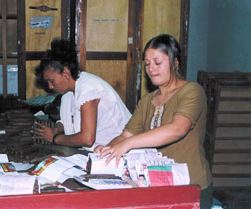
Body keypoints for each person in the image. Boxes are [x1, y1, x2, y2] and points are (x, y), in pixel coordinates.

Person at [95, 34, 212, 208]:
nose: (151, 69)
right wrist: (108, 149)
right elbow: (126, 135)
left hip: (191, 185)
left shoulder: (192, 91)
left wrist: (128, 145)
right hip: (159, 184)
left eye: (157, 62)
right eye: (147, 64)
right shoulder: (148, 100)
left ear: (175, 62)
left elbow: (177, 129)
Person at [33, 38, 131, 151]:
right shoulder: (68, 93)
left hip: (120, 148)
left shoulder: (89, 89)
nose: (50, 86)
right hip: (101, 150)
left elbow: (87, 139)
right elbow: (70, 121)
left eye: (52, 81)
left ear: (65, 73)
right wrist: (57, 129)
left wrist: (55, 138)